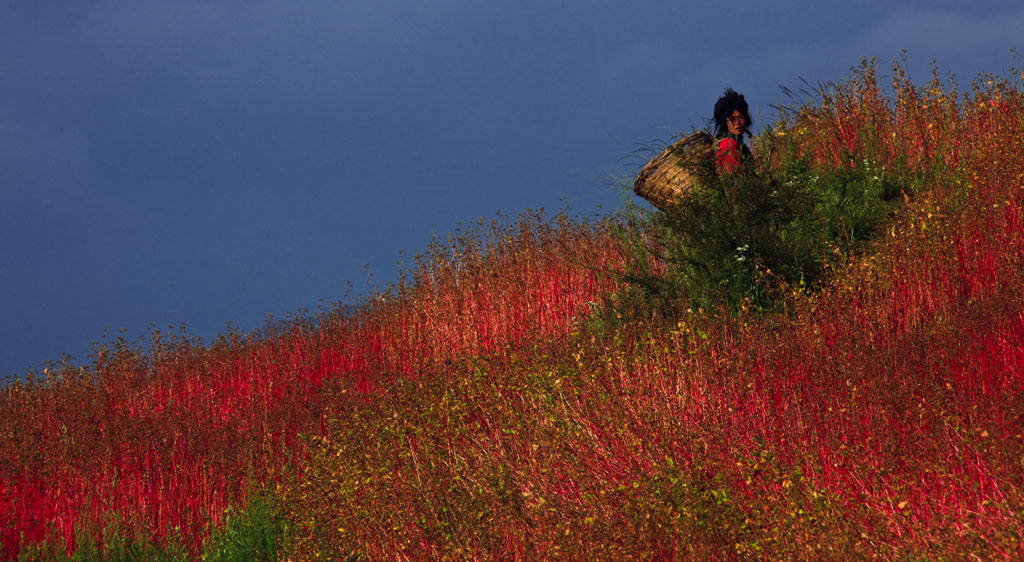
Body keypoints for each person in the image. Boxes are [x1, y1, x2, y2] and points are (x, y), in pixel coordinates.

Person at [713, 88, 752, 174]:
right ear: (725, 122)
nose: (737, 123)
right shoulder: (728, 144)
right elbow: (734, 180)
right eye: (732, 119)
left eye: (741, 117)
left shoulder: (739, 144)